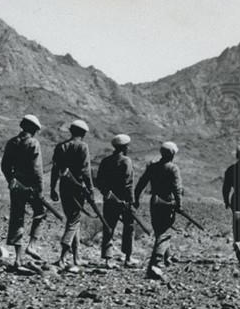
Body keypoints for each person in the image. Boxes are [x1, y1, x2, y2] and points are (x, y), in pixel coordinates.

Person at [1, 114, 46, 269]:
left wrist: (11, 180)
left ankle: (18, 258)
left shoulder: (12, 142)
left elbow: (5, 165)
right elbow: (37, 169)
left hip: (16, 187)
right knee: (40, 212)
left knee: (17, 218)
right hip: (31, 187)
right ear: (33, 129)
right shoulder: (33, 143)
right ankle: (32, 245)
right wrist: (39, 190)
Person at [134, 141, 183, 281]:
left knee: (159, 231)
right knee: (164, 233)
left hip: (154, 202)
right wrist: (180, 204)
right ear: (172, 154)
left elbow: (141, 183)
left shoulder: (152, 167)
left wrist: (136, 199)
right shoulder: (173, 168)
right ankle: (156, 263)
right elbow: (177, 188)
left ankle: (167, 258)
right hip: (167, 202)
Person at [50, 120, 92, 271]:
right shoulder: (83, 147)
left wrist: (52, 188)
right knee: (74, 221)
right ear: (83, 133)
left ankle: (76, 257)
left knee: (74, 219)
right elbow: (86, 171)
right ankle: (62, 257)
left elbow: (55, 169)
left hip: (64, 188)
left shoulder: (61, 147)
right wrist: (91, 190)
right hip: (78, 189)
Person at [96, 133, 136, 268]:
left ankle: (108, 259)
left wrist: (106, 193)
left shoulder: (105, 161)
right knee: (129, 227)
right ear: (125, 147)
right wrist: (131, 201)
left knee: (109, 227)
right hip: (124, 200)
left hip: (109, 200)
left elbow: (99, 181)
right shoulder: (126, 161)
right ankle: (128, 257)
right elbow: (128, 184)